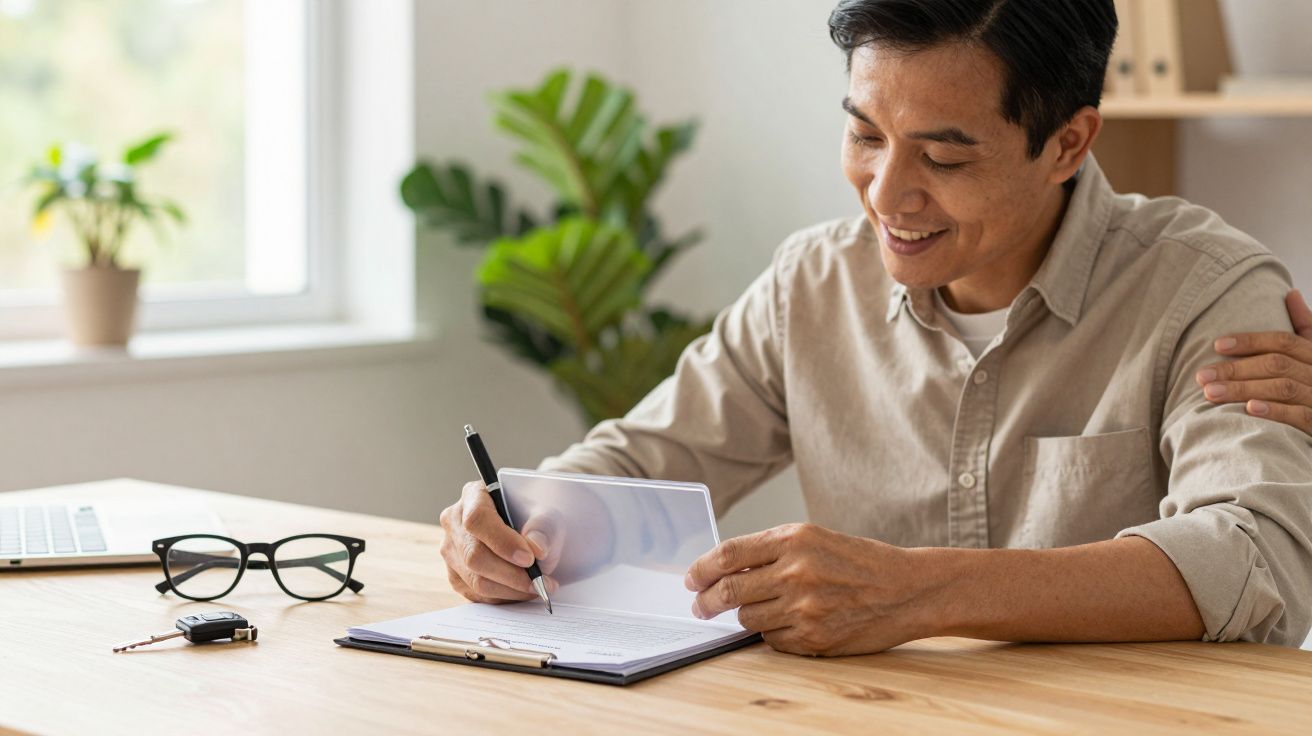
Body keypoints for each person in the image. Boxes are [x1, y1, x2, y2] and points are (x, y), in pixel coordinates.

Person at [440, 0, 1312, 656]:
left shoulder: (1205, 289)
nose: (887, 195)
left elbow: (1256, 559)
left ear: (1067, 143)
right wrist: (518, 520)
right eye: (864, 135)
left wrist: (920, 591)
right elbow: (640, 459)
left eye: (943, 157)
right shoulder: (813, 283)